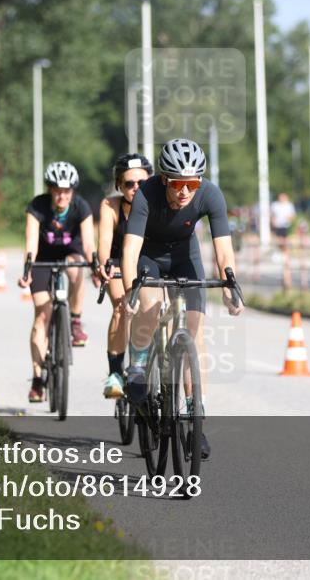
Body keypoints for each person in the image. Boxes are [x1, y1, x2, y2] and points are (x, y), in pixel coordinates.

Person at [121, 138, 243, 459]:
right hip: (149, 256)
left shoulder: (210, 194)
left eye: (192, 183)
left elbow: (223, 249)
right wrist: (129, 287)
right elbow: (130, 248)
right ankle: (138, 366)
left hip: (185, 256)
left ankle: (194, 414)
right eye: (178, 183)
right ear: (165, 180)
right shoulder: (146, 193)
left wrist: (231, 286)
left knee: (195, 333)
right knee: (150, 307)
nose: (185, 191)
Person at [18, 161, 99, 404]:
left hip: (70, 253)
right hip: (42, 257)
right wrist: (27, 268)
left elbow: (87, 243)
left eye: (66, 190)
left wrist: (94, 265)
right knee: (42, 316)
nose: (61, 195)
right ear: (49, 189)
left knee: (76, 271)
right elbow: (31, 240)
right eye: (56, 189)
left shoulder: (80, 206)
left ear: (72, 191)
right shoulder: (38, 206)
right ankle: (36, 378)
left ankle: (74, 320)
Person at [97, 153, 153, 399]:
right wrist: (104, 263)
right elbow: (105, 243)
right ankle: (115, 373)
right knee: (122, 306)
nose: (135, 188)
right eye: (129, 183)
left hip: (148, 264)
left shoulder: (157, 204)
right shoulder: (111, 206)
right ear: (119, 185)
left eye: (141, 182)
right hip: (119, 264)